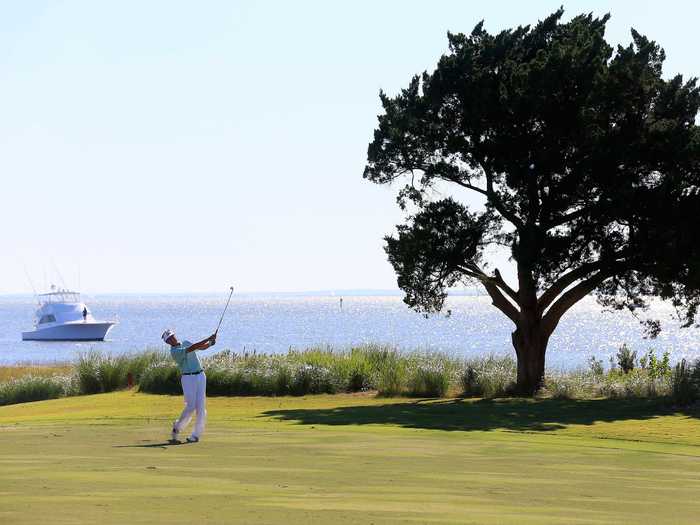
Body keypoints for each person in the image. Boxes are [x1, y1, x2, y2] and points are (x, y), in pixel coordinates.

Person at [162, 329, 216, 443]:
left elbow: (201, 347)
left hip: (201, 375)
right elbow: (192, 348)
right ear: (167, 342)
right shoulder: (175, 352)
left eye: (172, 336)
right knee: (191, 406)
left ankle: (195, 435)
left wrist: (211, 343)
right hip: (188, 378)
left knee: (201, 408)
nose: (172, 339)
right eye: (169, 339)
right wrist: (208, 338)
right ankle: (177, 428)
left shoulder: (185, 342)